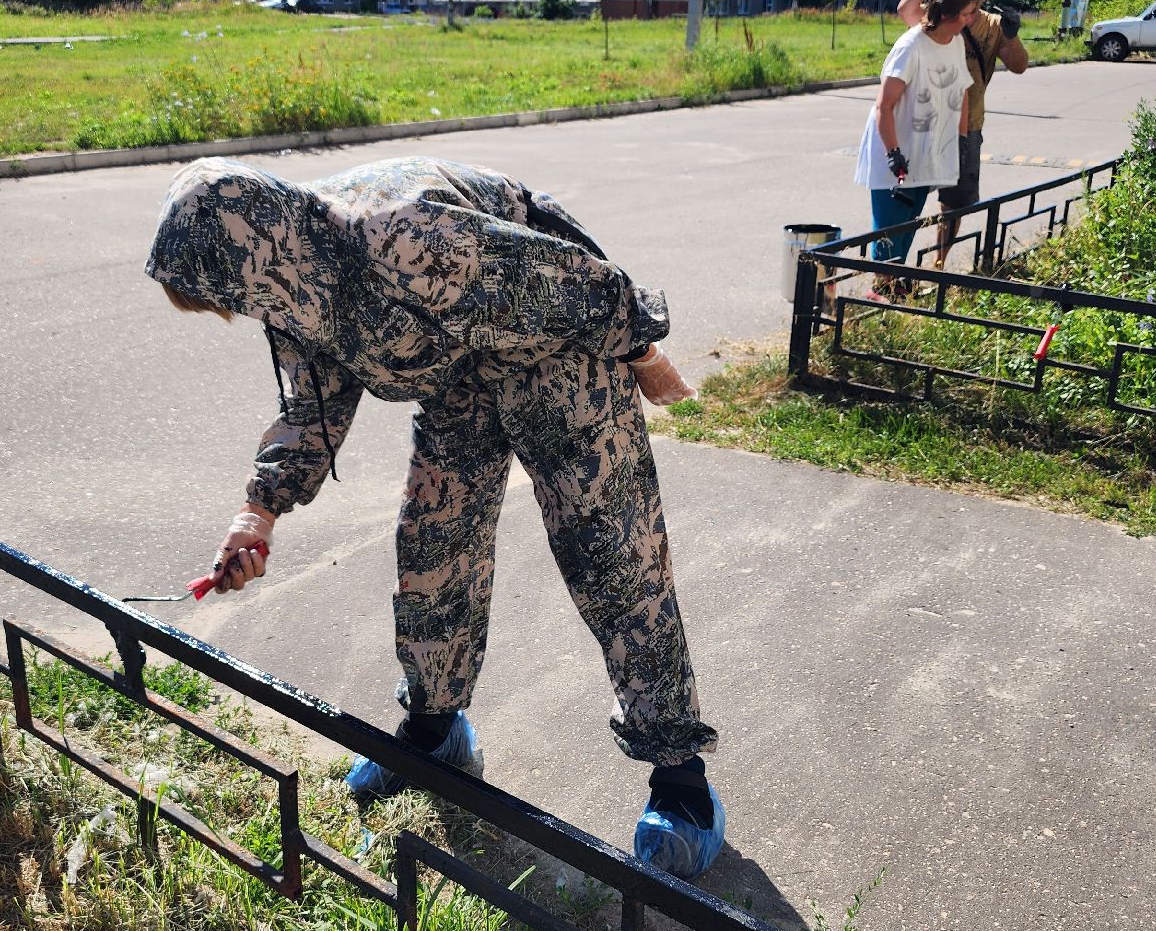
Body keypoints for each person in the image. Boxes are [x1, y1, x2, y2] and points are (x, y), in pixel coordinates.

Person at [146, 156, 727, 880]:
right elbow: (313, 407)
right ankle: (433, 731)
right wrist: (256, 512)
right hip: (459, 376)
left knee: (614, 557)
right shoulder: (289, 284)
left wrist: (643, 353)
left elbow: (574, 283)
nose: (239, 311)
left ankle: (680, 779)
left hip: (561, 357)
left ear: (252, 253)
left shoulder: (402, 237)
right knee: (432, 551)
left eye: (227, 296)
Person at [855, 0, 982, 299]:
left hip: (929, 151)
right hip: (897, 153)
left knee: (908, 225)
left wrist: (961, 141)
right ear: (949, 13)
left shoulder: (955, 42)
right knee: (889, 230)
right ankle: (882, 292)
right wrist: (894, 154)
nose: (972, 19)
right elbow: (884, 105)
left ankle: (893, 286)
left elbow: (962, 91)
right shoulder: (911, 47)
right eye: (968, 13)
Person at [896, 0, 1029, 271]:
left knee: (955, 202)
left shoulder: (994, 25)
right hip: (925, 122)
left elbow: (1019, 65)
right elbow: (907, 12)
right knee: (906, 200)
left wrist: (1011, 37)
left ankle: (938, 263)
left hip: (967, 124)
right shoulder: (941, 13)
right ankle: (893, 269)